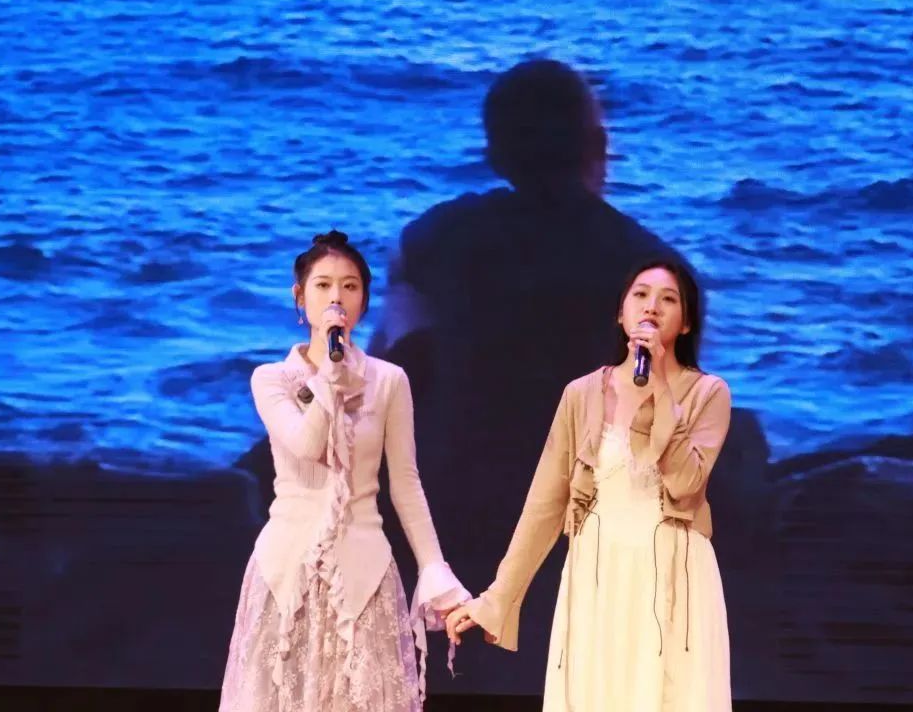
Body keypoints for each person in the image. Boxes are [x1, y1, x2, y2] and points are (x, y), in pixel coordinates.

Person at [370, 60, 692, 687]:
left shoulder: (435, 241)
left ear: (495, 156)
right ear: (597, 146)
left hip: (455, 507)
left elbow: (395, 368)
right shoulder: (653, 271)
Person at [445, 257, 732, 711]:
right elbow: (543, 505)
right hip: (598, 575)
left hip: (674, 580)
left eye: (668, 299)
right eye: (640, 295)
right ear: (621, 313)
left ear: (686, 323)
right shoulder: (581, 395)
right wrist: (497, 598)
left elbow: (686, 482)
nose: (651, 307)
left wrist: (659, 387)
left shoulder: (708, 393)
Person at [220, 231, 468, 712]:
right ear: (300, 297)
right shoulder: (271, 379)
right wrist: (331, 380)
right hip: (285, 572)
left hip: (364, 569)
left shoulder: (389, 380)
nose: (337, 297)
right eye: (323, 285)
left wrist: (435, 571)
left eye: (350, 286)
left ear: (364, 300)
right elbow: (306, 444)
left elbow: (406, 483)